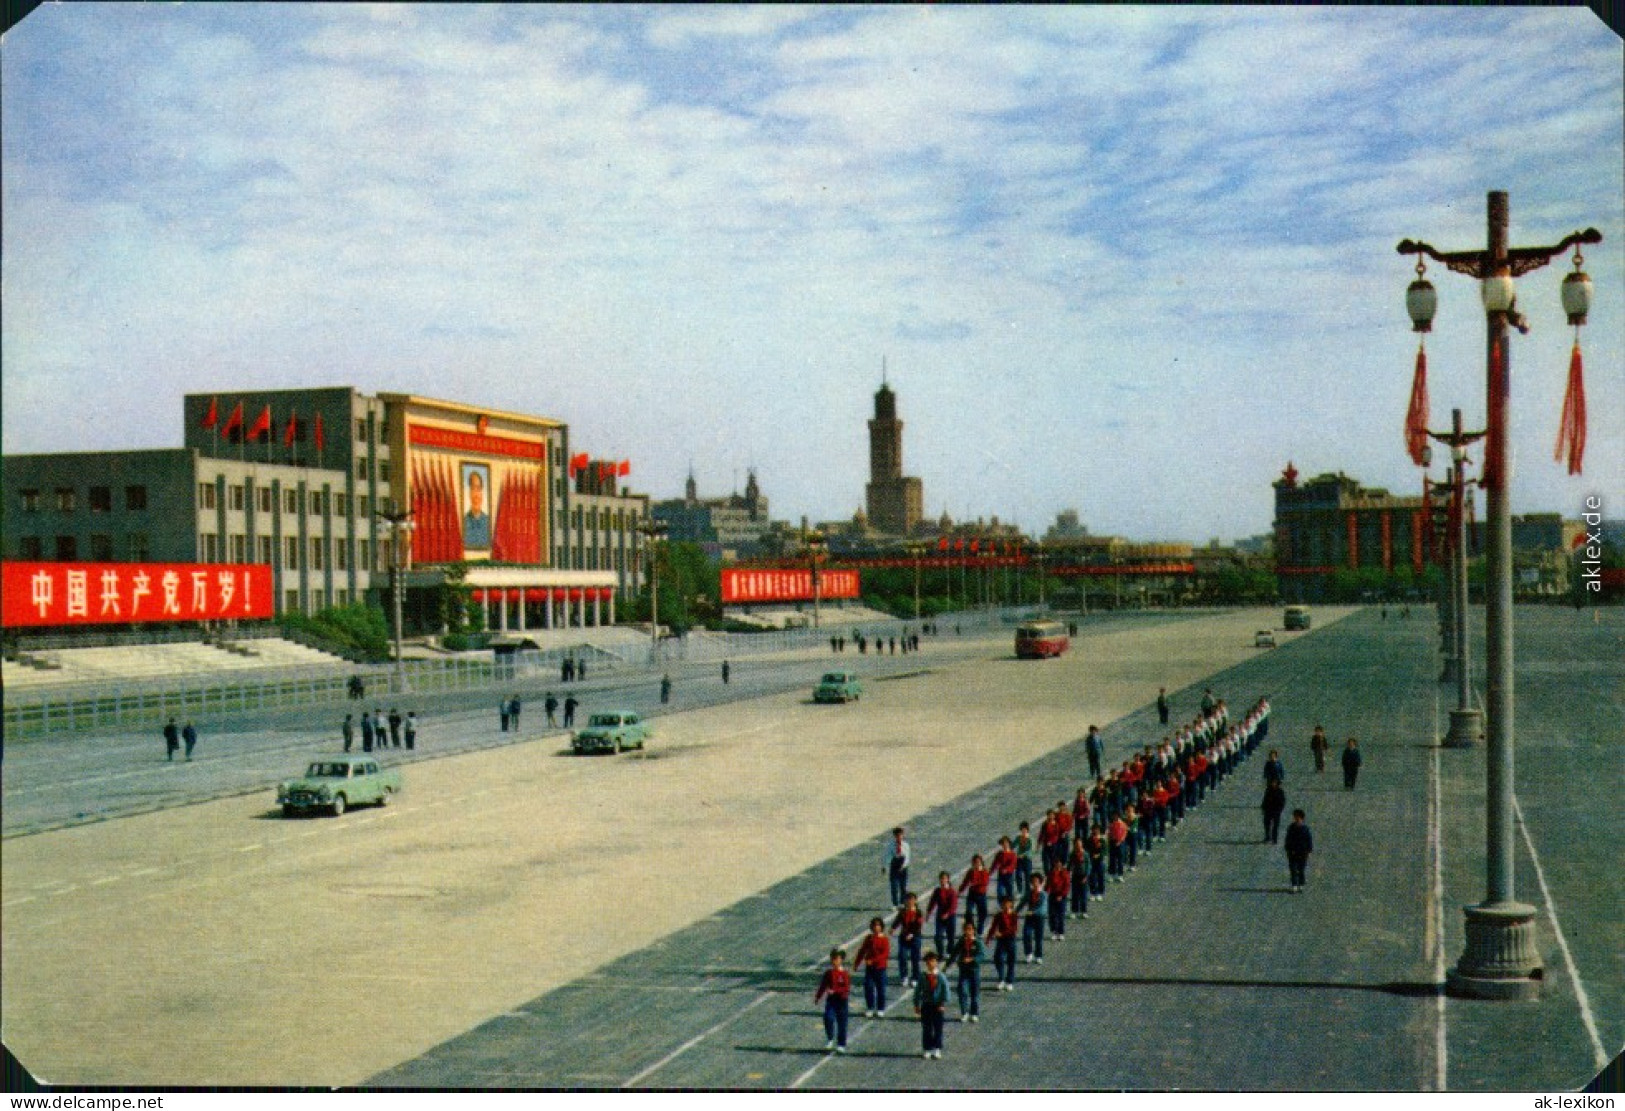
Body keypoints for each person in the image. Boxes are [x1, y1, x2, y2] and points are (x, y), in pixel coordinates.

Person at [814, 948, 851, 1053]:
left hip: (842, 1001)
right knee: (828, 1018)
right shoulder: (829, 973)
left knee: (842, 1023)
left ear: (841, 960)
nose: (835, 961)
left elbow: (846, 988)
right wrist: (818, 996)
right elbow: (823, 985)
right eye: (833, 959)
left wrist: (835, 991)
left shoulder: (844, 974)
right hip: (831, 1001)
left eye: (837, 959)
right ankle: (830, 1038)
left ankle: (841, 1044)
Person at [853, 918, 891, 1018]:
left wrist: (873, 960)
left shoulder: (884, 939)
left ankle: (880, 1008)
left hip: (880, 968)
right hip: (870, 968)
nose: (876, 927)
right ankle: (870, 1007)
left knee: (881, 989)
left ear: (881, 927)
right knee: (868, 987)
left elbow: (885, 954)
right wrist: (857, 963)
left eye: (878, 925)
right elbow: (862, 950)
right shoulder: (869, 938)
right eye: (874, 925)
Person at [913, 952, 949, 1059]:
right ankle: (927, 1048)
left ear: (936, 962)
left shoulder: (941, 976)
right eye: (928, 962)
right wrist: (916, 1004)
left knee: (938, 1028)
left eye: (933, 961)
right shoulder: (923, 976)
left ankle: (937, 1048)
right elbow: (917, 991)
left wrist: (942, 1003)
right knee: (926, 1028)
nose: (931, 964)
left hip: (937, 1006)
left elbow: (945, 991)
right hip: (926, 1005)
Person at [952, 920, 984, 1024]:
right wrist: (947, 965)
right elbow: (954, 953)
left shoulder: (977, 942)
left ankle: (974, 1013)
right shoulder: (962, 941)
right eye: (966, 929)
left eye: (970, 929)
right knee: (962, 990)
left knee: (975, 993)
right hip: (964, 970)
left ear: (973, 930)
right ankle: (964, 1012)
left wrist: (972, 959)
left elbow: (981, 955)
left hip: (974, 971)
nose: (968, 932)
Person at [985, 895, 1019, 991]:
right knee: (998, 958)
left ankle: (1009, 981)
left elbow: (1014, 929)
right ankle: (1001, 979)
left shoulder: (1014, 915)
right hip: (1001, 940)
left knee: (1011, 961)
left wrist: (1002, 933)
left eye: (1007, 903)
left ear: (1011, 904)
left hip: (1010, 939)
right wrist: (988, 938)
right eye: (1004, 903)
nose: (1005, 905)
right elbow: (993, 927)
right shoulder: (999, 915)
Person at [891, 892, 924, 987]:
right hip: (903, 936)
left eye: (912, 900)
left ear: (915, 901)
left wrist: (912, 934)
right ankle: (904, 976)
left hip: (915, 937)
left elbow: (918, 925)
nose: (909, 902)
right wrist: (893, 928)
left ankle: (915, 977)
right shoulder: (903, 911)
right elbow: (898, 920)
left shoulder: (918, 912)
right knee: (902, 956)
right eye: (908, 900)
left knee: (915, 958)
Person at [926, 872, 959, 958]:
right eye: (941, 878)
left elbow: (953, 905)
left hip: (950, 916)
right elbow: (932, 902)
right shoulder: (937, 891)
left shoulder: (952, 891)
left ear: (947, 879)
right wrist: (928, 913)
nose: (942, 880)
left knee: (950, 936)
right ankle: (940, 953)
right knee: (938, 936)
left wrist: (947, 914)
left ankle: (950, 951)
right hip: (940, 916)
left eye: (944, 878)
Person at [958, 853, 991, 932]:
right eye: (975, 862)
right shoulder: (971, 871)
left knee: (983, 912)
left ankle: (980, 925)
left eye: (978, 862)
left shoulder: (984, 871)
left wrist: (975, 883)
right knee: (968, 911)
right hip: (972, 894)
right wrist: (960, 890)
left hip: (981, 894)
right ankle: (971, 927)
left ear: (981, 862)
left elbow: (985, 882)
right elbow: (965, 882)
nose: (977, 863)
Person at [1284, 809, 1313, 892]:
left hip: (1302, 852)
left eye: (1297, 817)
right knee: (1293, 869)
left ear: (1301, 818)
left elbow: (1309, 840)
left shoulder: (1305, 829)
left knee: (1301, 869)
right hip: (1292, 852)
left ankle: (1301, 884)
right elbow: (1288, 839)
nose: (1296, 819)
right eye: (1295, 817)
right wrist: (1287, 848)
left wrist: (1309, 850)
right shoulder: (1291, 828)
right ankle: (1294, 885)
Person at [463, 467, 491, 550]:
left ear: (482, 493)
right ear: (469, 493)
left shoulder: (488, 522)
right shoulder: (464, 522)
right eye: (473, 489)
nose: (476, 495)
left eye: (478, 489)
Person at [1021, 874, 1047, 965]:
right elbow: (1022, 902)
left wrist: (1033, 912)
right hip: (1029, 917)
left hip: (1039, 918)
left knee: (1038, 937)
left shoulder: (1043, 894)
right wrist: (1015, 912)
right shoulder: (1029, 893)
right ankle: (1028, 953)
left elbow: (1042, 907)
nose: (1034, 883)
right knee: (1026, 934)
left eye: (1036, 881)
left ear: (1040, 882)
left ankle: (1038, 956)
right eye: (1033, 881)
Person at [885, 827, 910, 908]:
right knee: (894, 886)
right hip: (895, 863)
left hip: (903, 864)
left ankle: (902, 902)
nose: (899, 837)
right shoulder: (891, 845)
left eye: (900, 835)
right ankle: (894, 903)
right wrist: (885, 866)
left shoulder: (906, 845)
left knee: (903, 886)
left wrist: (903, 866)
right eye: (897, 836)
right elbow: (888, 855)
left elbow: (907, 857)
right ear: (895, 836)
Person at [1261, 778, 1286, 844]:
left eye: (1275, 782)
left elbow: (1282, 802)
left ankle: (1274, 839)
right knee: (1267, 825)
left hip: (1276, 811)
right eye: (1272, 782)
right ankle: (1267, 837)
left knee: (1275, 826)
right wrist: (1263, 807)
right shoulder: (1268, 790)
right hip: (1268, 810)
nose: (1273, 784)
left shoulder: (1280, 791)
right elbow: (1265, 799)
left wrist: (1280, 809)